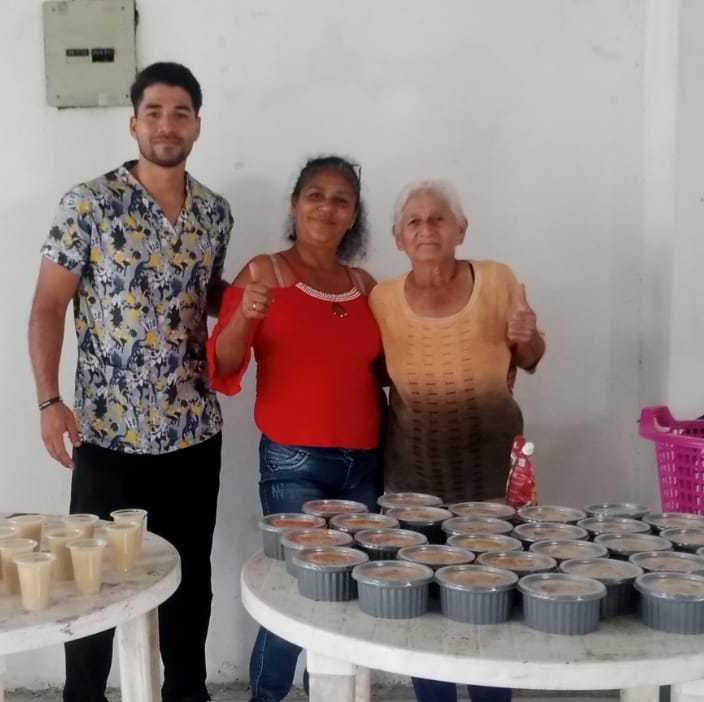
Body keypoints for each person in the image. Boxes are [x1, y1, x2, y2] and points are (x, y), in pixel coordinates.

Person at [27, 61, 232, 702]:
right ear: (134, 123)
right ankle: (83, 696)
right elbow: (48, 305)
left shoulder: (214, 213)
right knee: (92, 585)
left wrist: (253, 295)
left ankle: (187, 694)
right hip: (108, 435)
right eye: (154, 112)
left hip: (192, 434)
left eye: (180, 113)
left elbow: (203, 293)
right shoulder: (88, 204)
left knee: (189, 584)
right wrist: (50, 400)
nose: (167, 124)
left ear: (197, 124)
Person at [207, 156, 382, 702]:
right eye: (315, 195)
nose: (327, 207)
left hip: (366, 461)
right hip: (293, 461)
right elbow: (222, 364)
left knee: (348, 594)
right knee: (296, 594)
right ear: (294, 204)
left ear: (353, 215)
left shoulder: (363, 285)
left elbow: (385, 372)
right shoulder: (265, 272)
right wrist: (244, 314)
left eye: (341, 199)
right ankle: (266, 697)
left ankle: (329, 692)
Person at [369, 180, 545, 702]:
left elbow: (530, 358)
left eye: (438, 218)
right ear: (398, 237)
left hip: (492, 479)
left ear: (461, 229)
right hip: (414, 480)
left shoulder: (498, 280)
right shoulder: (382, 299)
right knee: (424, 610)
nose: (427, 229)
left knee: (492, 604)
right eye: (415, 221)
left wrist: (528, 337)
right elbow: (378, 373)